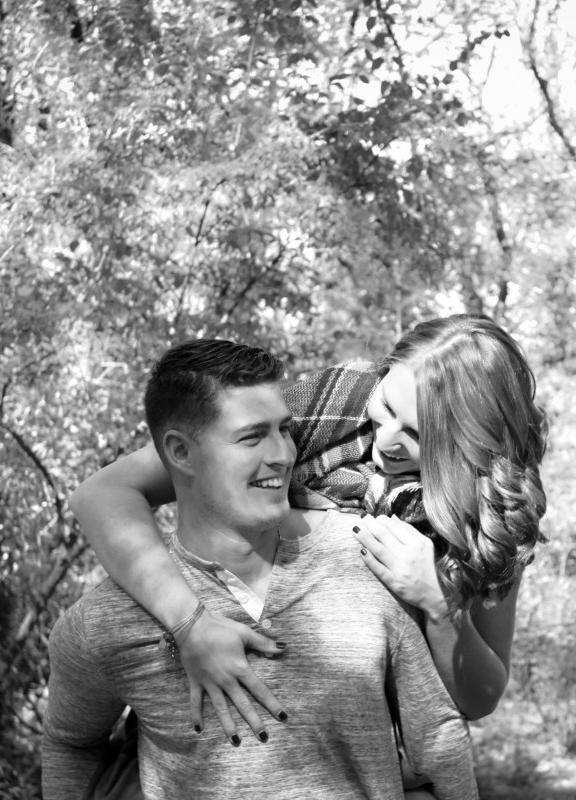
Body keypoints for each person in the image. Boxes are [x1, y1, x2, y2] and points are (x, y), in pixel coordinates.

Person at [68, 314, 549, 739]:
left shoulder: (491, 512)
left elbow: (481, 699)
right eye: (387, 408)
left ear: (472, 443)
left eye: (417, 434)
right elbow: (103, 494)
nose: (385, 440)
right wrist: (189, 624)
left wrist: (441, 607)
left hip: (357, 742)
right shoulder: (331, 404)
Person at [42, 338, 478, 799]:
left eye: (285, 430)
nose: (284, 455)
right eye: (252, 437)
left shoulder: (371, 560)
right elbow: (70, 744)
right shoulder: (105, 621)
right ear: (180, 453)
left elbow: (439, 740)